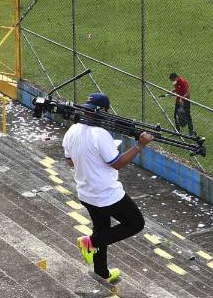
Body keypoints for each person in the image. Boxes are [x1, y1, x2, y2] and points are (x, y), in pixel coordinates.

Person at [63, 92, 151, 284]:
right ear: (102, 113)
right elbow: (117, 163)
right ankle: (89, 243)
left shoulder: (72, 131)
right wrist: (139, 145)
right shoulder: (100, 134)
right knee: (136, 224)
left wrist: (89, 160)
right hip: (106, 195)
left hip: (86, 193)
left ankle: (101, 272)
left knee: (102, 229)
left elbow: (70, 161)